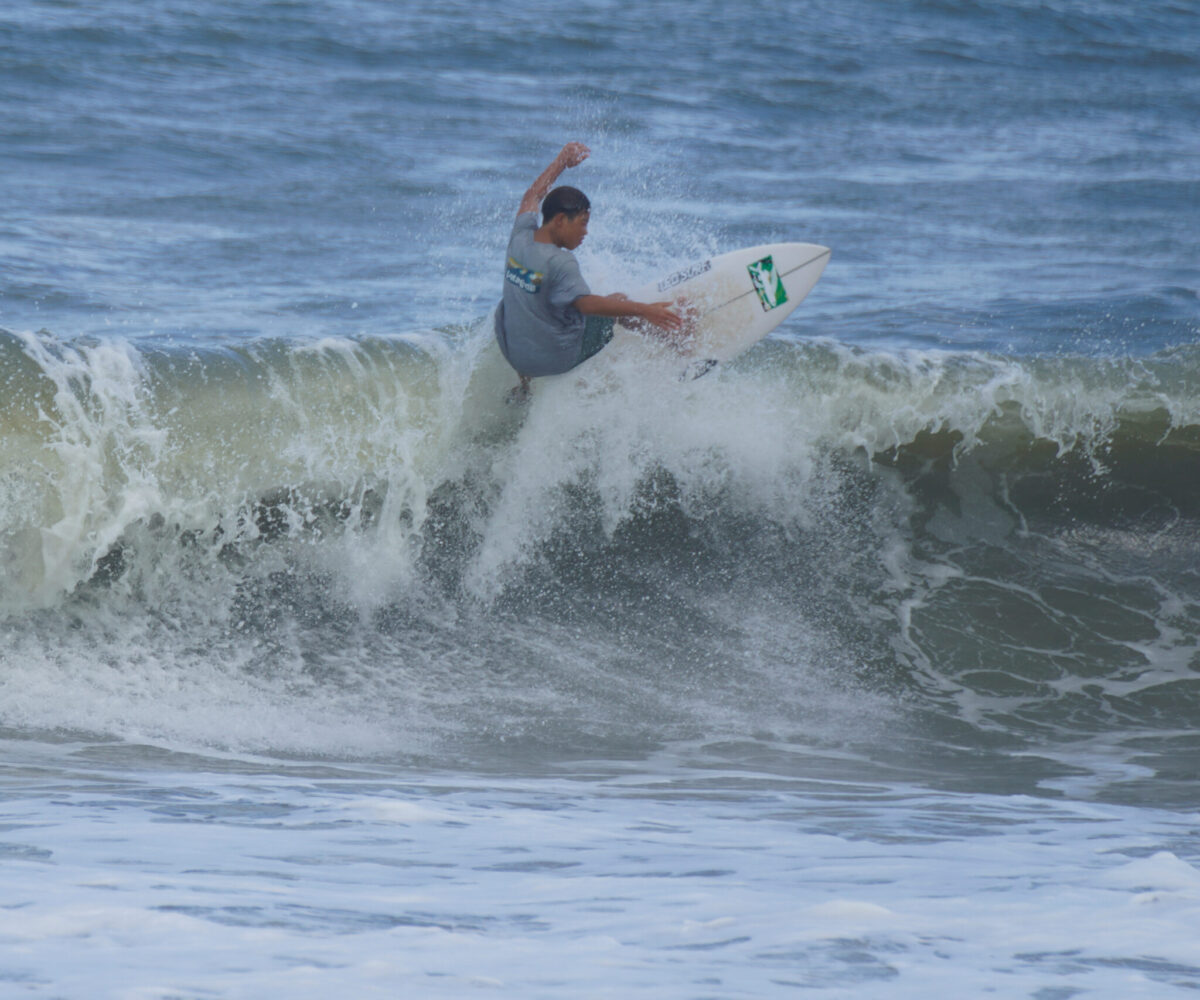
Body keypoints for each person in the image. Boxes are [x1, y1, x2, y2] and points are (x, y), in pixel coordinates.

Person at [494, 142, 684, 397]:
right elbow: (588, 305)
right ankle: (679, 347)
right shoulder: (560, 262)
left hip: (513, 354)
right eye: (582, 224)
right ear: (560, 220)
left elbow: (532, 196)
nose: (585, 232)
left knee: (521, 302)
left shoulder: (520, 235)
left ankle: (524, 386)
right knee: (617, 302)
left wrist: (561, 160)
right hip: (555, 360)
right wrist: (646, 310)